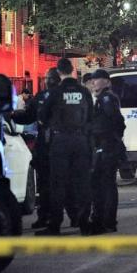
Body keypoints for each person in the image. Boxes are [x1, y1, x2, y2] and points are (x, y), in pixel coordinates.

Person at [38, 58, 93, 235]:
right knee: (82, 183)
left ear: (59, 72)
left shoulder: (55, 92)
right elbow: (91, 116)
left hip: (60, 142)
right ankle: (84, 223)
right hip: (81, 142)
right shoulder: (84, 92)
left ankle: (55, 225)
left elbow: (43, 116)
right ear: (72, 70)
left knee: (58, 184)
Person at [11, 67, 61, 229]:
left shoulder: (44, 97)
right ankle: (66, 216)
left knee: (49, 183)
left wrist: (12, 115)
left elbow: (27, 117)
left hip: (52, 145)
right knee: (57, 182)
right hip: (57, 145)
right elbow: (28, 116)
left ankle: (50, 217)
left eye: (48, 78)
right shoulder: (56, 96)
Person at [88, 69, 126, 233]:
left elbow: (117, 122)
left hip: (107, 146)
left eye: (97, 79)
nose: (94, 82)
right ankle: (104, 219)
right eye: (93, 80)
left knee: (105, 184)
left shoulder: (106, 99)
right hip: (105, 145)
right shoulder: (102, 99)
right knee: (103, 184)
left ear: (107, 82)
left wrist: (109, 139)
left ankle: (106, 220)